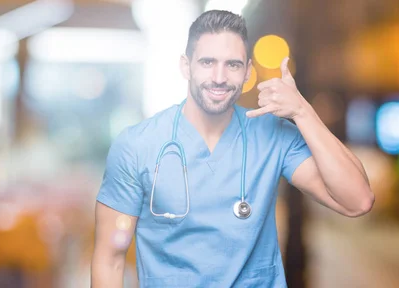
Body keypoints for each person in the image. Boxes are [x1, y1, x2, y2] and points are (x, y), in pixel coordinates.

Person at [91, 10, 374, 288]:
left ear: (248, 71)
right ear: (185, 66)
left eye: (233, 65)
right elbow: (110, 258)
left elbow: (357, 201)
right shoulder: (137, 146)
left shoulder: (273, 136)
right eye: (207, 62)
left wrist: (303, 112)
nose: (219, 77)